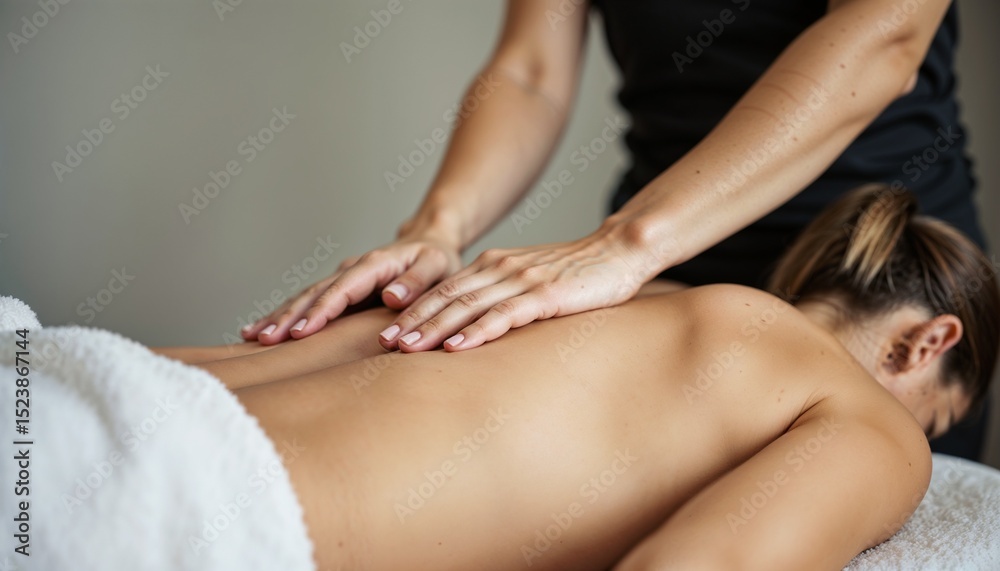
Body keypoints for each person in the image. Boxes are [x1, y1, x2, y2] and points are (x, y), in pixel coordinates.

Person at [241, 0, 990, 459]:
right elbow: (531, 68)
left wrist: (627, 244)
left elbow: (886, 35)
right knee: (426, 366)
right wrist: (438, 229)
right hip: (663, 252)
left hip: (879, 275)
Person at [154, 186, 1000, 569]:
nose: (920, 444)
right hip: (186, 523)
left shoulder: (608, 295)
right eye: (935, 420)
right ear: (924, 344)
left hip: (100, 390)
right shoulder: (869, 427)